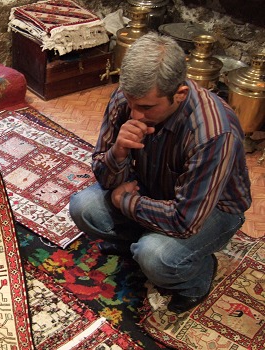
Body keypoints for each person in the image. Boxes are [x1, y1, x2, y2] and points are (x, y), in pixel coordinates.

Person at [69, 32, 251, 314]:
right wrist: (118, 151)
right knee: (83, 207)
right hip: (155, 191)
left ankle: (198, 278)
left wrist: (124, 202)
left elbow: (184, 221)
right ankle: (142, 241)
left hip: (212, 211)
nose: (135, 114)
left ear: (180, 94)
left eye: (146, 108)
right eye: (130, 103)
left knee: (155, 255)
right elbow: (104, 178)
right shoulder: (129, 98)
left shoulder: (214, 133)